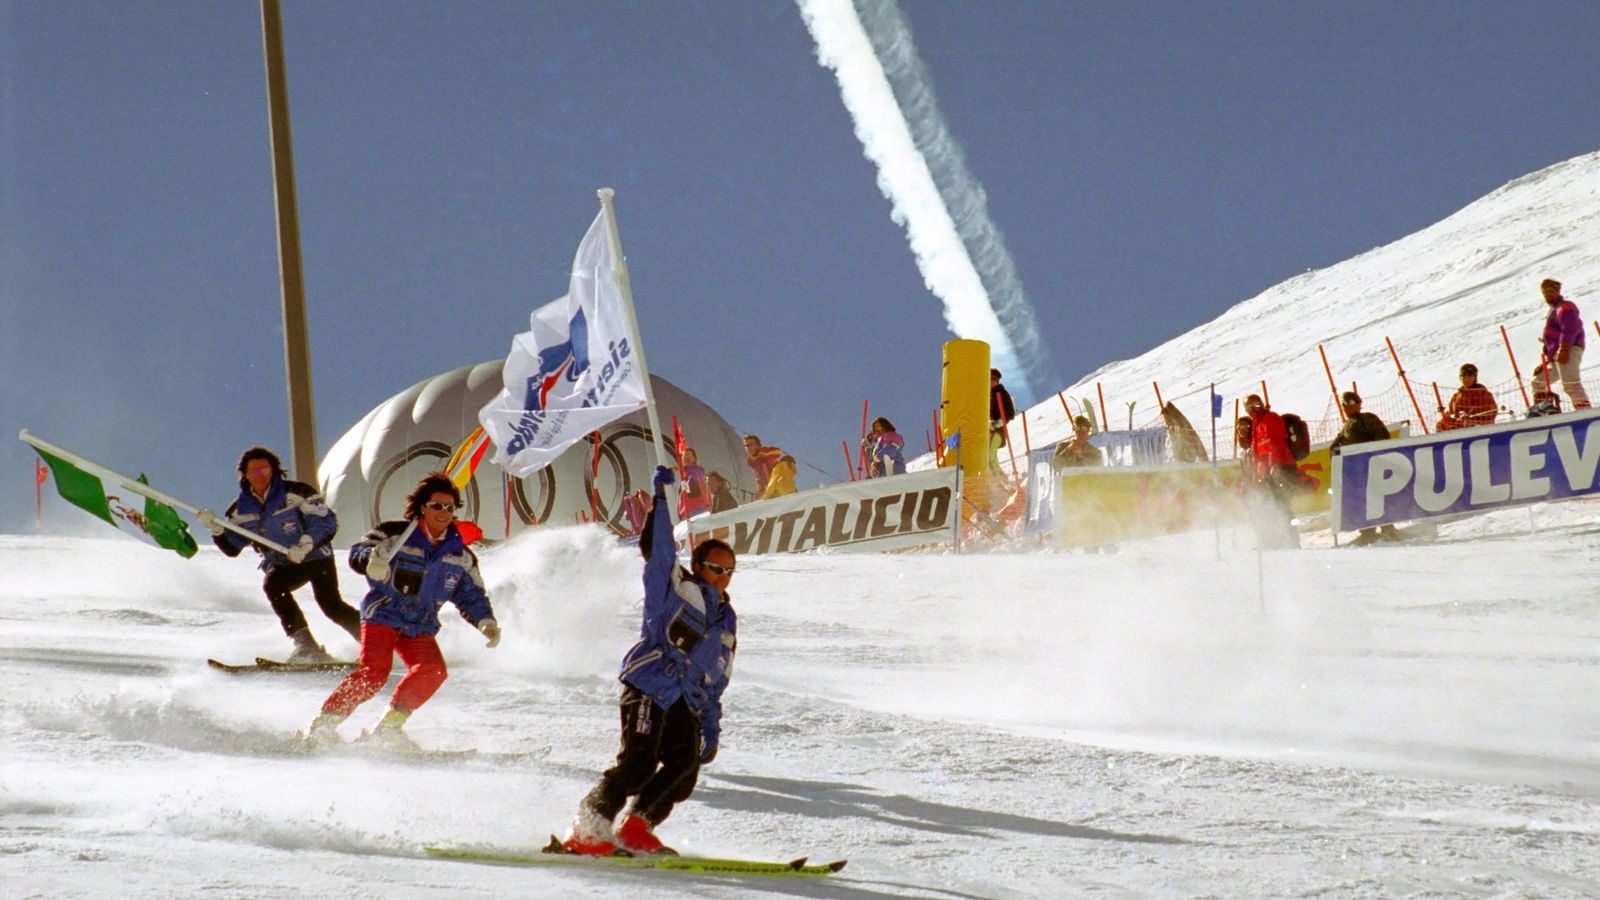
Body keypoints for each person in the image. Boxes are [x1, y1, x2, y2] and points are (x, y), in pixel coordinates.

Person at [562, 466, 737, 857]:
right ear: (699, 564)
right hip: (651, 685)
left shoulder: (727, 620)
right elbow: (658, 552)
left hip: (686, 700)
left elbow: (718, 679)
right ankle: (587, 828)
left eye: (729, 571)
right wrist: (662, 501)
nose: (722, 577)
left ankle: (637, 827)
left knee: (684, 768)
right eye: (715, 567)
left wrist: (711, 726)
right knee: (638, 765)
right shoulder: (675, 588)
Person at [302, 473, 500, 748]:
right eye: (437, 506)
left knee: (433, 671)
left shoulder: (460, 555)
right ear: (422, 507)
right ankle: (325, 724)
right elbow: (361, 551)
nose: (443, 513)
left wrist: (484, 621)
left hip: (419, 622)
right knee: (375, 672)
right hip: (384, 613)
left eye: (449, 508)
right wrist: (371, 561)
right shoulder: (395, 534)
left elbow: (471, 594)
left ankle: (389, 728)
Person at [198, 447, 359, 663]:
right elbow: (232, 548)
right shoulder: (240, 511)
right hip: (284, 563)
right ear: (245, 475)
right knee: (273, 584)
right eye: (254, 473)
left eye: (264, 471)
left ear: (274, 471)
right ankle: (306, 645)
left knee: (330, 605)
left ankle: (373, 643)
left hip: (315, 557)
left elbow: (326, 521)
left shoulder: (296, 493)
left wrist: (305, 544)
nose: (260, 477)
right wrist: (217, 531)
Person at [1329, 392, 1398, 546]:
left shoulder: (1368, 419)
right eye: (1345, 405)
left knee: (1377, 497)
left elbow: (1383, 438)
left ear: (1359, 404)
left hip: (1372, 467)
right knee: (1363, 500)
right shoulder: (1349, 425)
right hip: (1359, 471)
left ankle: (1386, 528)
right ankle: (1369, 531)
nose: (1347, 408)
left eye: (1351, 403)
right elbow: (1336, 447)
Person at [1244, 394, 1300, 549]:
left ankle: (1292, 540)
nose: (1251, 409)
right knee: (1267, 506)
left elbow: (1276, 444)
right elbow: (1259, 452)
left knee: (1282, 505)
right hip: (1267, 472)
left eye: (1254, 405)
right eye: (1249, 406)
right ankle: (1272, 540)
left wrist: (1275, 465)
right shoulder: (1257, 423)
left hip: (1280, 468)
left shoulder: (1270, 418)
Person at [1537, 278, 1590, 410]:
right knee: (1538, 381)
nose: (1548, 295)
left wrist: (1564, 349)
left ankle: (1584, 411)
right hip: (1557, 355)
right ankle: (1542, 409)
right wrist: (1549, 359)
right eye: (1545, 293)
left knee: (1571, 384)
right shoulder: (1554, 309)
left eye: (1550, 291)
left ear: (1557, 292)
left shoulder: (1565, 307)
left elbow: (1570, 328)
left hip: (1568, 349)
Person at [1436, 363, 1498, 431]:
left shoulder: (1483, 394)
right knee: (1441, 425)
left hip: (1478, 429)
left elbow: (1491, 414)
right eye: (1463, 376)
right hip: (1459, 429)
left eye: (1469, 376)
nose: (1466, 379)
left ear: (1475, 378)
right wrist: (1444, 414)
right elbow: (1451, 414)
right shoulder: (1457, 396)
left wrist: (1471, 419)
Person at [743, 434, 796, 499]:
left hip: (780, 485)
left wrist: (763, 451)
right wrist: (760, 490)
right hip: (770, 489)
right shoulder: (752, 462)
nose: (749, 447)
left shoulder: (764, 454)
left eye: (751, 444)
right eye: (746, 445)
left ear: (758, 445)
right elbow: (759, 478)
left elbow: (778, 452)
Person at [989, 368, 1016, 471]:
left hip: (997, 431)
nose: (991, 381)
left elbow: (1010, 414)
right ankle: (995, 481)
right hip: (987, 432)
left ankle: (1001, 481)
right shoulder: (986, 395)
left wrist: (995, 424)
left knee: (990, 457)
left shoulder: (1001, 393)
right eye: (988, 379)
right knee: (986, 457)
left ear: (997, 380)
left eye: (993, 379)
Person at [677, 448, 710, 519]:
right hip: (687, 508)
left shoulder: (697, 470)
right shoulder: (684, 473)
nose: (686, 457)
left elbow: (691, 486)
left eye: (689, 455)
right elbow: (682, 493)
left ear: (694, 458)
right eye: (685, 455)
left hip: (697, 506)